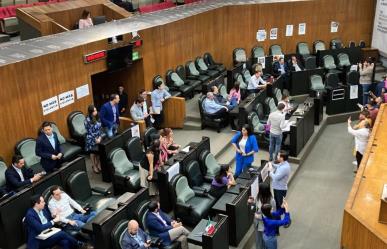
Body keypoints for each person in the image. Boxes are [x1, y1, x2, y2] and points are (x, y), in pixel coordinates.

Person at [25, 195, 89, 249]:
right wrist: (53, 221)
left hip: (49, 233)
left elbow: (50, 219)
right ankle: (80, 244)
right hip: (39, 240)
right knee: (62, 233)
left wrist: (54, 215)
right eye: (42, 202)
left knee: (66, 242)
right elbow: (40, 228)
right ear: (36, 204)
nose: (44, 203)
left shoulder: (43, 209)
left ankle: (79, 244)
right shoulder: (30, 215)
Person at [248, 182, 276, 249]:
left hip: (265, 225)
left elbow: (272, 215)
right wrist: (252, 202)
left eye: (259, 189)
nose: (257, 190)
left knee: (265, 242)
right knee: (258, 241)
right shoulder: (259, 196)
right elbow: (257, 206)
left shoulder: (272, 201)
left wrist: (259, 217)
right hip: (257, 223)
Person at [84, 104, 102, 174]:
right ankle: (94, 166)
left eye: (96, 110)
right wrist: (95, 139)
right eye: (94, 111)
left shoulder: (98, 116)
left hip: (98, 137)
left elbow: (100, 128)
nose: (96, 112)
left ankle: (98, 164)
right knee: (93, 153)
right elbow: (89, 132)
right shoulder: (87, 120)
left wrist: (100, 137)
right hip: (91, 139)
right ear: (90, 112)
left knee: (98, 152)